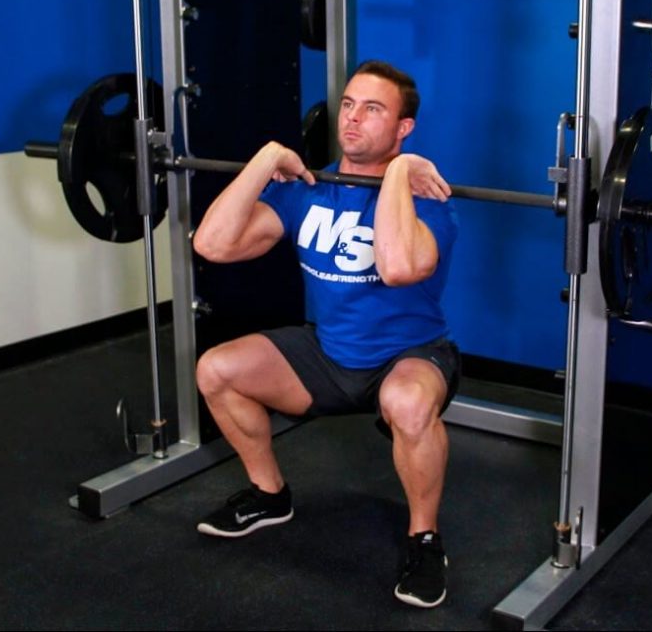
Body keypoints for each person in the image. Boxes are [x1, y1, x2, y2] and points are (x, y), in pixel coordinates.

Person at [190, 60, 461, 609]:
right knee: (215, 369)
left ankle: (425, 539)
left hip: (408, 356)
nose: (353, 118)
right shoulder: (307, 191)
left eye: (373, 109)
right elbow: (212, 244)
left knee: (408, 404)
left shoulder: (428, 201)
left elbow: (397, 268)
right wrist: (266, 160)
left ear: (404, 127)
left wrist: (397, 175)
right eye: (349, 104)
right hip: (328, 354)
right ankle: (269, 495)